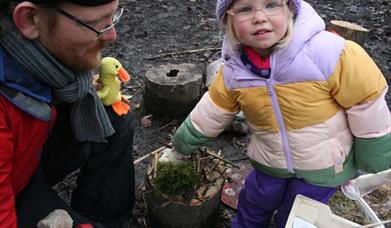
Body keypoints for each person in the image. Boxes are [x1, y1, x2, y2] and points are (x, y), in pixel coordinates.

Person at [159, 0, 391, 227]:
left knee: (299, 214)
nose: (259, 17)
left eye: (271, 5)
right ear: (229, 20)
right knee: (254, 202)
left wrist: (373, 159)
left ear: (289, 8)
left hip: (324, 166)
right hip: (270, 161)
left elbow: (366, 102)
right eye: (245, 9)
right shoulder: (234, 70)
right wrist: (182, 145)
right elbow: (213, 110)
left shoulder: (329, 52)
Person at [0, 0, 135, 227]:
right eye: (96, 25)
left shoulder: (32, 55)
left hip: (29, 157)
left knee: (109, 116)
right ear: (29, 19)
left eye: (113, 16)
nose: (112, 35)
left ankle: (103, 218)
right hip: (16, 195)